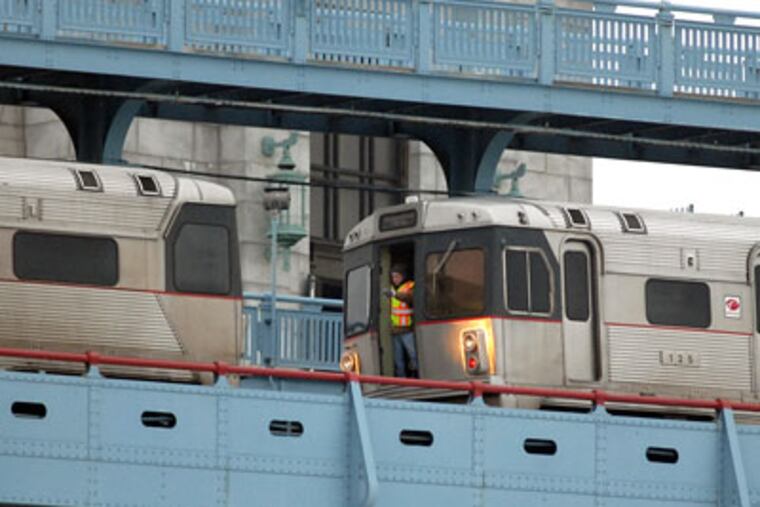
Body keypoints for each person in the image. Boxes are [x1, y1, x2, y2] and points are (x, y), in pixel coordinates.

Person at [386, 264, 417, 378]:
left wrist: (395, 295)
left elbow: (409, 297)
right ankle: (401, 380)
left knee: (413, 356)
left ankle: (416, 378)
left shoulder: (410, 286)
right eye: (393, 277)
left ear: (403, 276)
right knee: (398, 360)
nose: (395, 279)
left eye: (397, 276)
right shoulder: (390, 289)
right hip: (395, 331)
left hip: (407, 330)